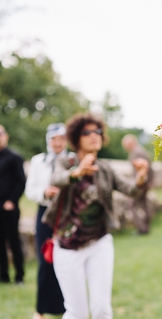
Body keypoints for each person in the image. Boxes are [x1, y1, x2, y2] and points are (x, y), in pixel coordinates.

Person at [43, 114, 149, 319]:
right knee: (78, 313)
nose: (94, 135)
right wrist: (77, 172)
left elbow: (130, 190)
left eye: (98, 131)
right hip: (68, 246)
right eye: (87, 132)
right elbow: (57, 178)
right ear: (76, 138)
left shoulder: (105, 168)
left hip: (99, 242)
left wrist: (141, 178)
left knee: (101, 309)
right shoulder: (66, 162)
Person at [25, 123, 69, 318]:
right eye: (54, 139)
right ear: (48, 140)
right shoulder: (38, 161)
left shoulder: (72, 159)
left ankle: (66, 307)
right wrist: (44, 192)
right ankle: (41, 309)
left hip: (67, 213)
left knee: (67, 259)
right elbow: (30, 190)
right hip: (45, 213)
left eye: (61, 139)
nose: (57, 143)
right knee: (45, 259)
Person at [0, 123, 27, 285]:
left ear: (6, 136)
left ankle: (19, 276)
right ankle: (3, 275)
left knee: (14, 241)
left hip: (9, 207)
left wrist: (12, 200)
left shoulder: (14, 157)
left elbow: (21, 182)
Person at [122, 134, 155, 235]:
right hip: (145, 182)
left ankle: (141, 228)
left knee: (131, 204)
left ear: (130, 143)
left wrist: (143, 182)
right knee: (144, 204)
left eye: (125, 144)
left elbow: (143, 168)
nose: (125, 147)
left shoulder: (137, 153)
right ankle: (146, 227)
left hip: (140, 183)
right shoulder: (141, 150)